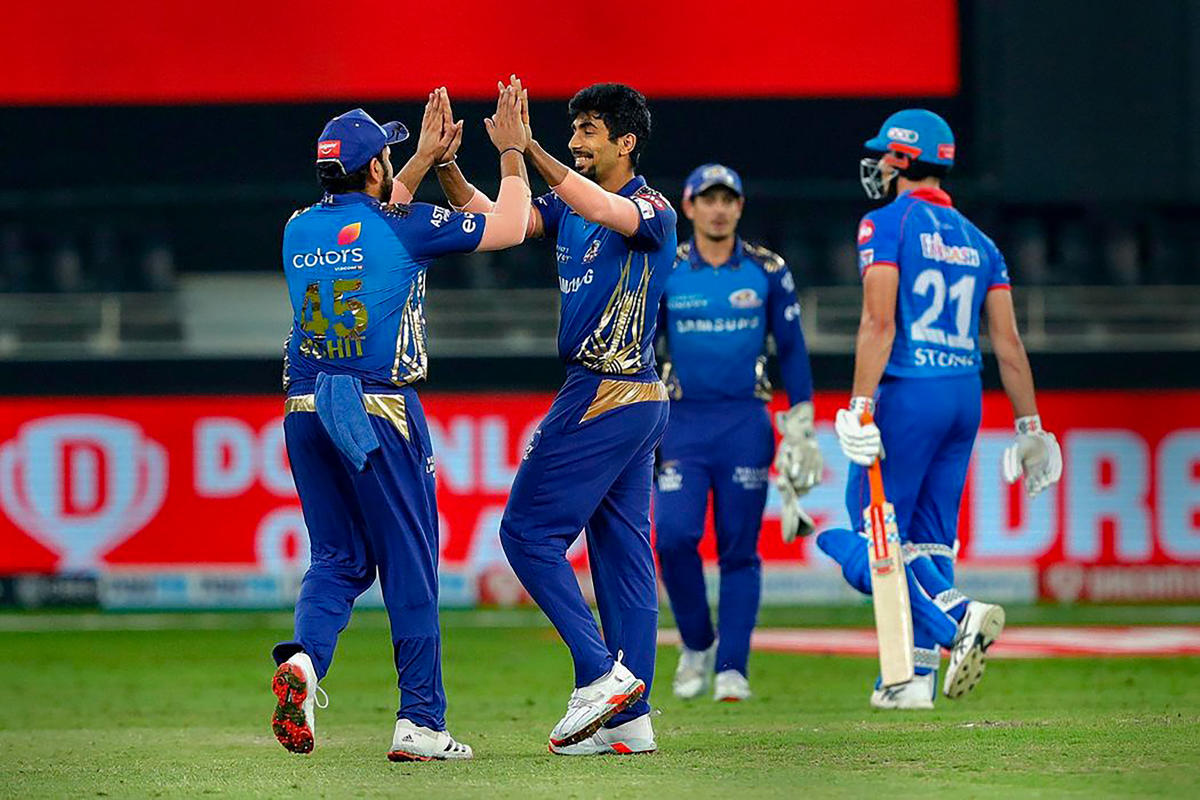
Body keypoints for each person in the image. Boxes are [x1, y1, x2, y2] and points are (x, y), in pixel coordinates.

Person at [269, 87, 531, 760]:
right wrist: (508, 152)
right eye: (385, 157)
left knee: (336, 559)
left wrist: (413, 160)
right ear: (375, 170)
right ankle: (421, 722)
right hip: (378, 407)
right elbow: (507, 225)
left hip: (305, 407)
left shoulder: (298, 226)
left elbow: (369, 221)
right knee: (409, 563)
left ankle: (303, 663)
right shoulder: (404, 225)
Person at [435, 77, 676, 755]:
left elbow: (602, 206)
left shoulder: (653, 208)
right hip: (629, 400)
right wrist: (460, 166)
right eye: (570, 131)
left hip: (607, 388)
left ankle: (602, 677)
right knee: (623, 556)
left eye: (588, 131)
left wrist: (529, 147)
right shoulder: (568, 203)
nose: (575, 141)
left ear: (627, 142)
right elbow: (500, 223)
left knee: (525, 535)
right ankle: (629, 721)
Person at [817, 109, 1063, 709]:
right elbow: (1007, 344)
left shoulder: (886, 222)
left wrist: (858, 404)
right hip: (963, 397)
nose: (876, 164)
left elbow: (878, 321)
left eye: (884, 154)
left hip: (907, 390)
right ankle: (909, 683)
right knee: (927, 544)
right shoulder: (982, 242)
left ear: (902, 159)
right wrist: (1032, 428)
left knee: (859, 535)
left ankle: (955, 626)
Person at [654, 163, 820, 702]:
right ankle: (698, 642)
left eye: (729, 199)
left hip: (744, 423)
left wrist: (802, 423)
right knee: (674, 538)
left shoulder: (768, 270)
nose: (719, 208)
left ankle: (733, 666)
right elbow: (641, 346)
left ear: (740, 208)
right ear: (689, 206)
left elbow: (791, 349)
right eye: (709, 199)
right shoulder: (667, 267)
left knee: (739, 549)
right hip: (682, 422)